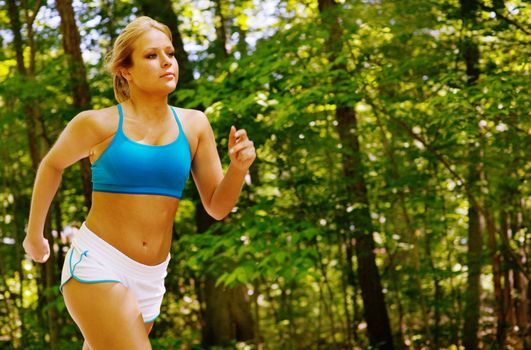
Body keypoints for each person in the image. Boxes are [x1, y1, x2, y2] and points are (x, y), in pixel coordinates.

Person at [22, 16, 255, 350]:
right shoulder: (96, 124)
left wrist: (238, 168)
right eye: (151, 55)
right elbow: (52, 165)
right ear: (125, 70)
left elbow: (217, 207)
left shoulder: (195, 125)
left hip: (151, 279)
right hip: (97, 263)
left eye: (170, 53)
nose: (166, 62)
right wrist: (34, 235)